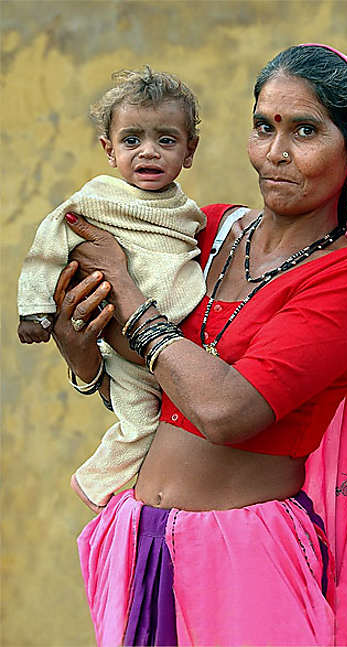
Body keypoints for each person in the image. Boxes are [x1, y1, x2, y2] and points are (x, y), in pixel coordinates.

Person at [50, 44, 347, 646]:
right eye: (263, 126)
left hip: (243, 559)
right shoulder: (207, 229)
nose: (276, 154)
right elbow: (158, 384)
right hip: (140, 542)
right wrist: (84, 360)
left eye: (305, 130)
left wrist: (126, 291)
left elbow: (228, 412)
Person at [17, 66, 206, 510]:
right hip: (124, 345)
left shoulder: (189, 213)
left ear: (189, 150)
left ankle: (148, 497)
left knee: (172, 426)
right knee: (139, 424)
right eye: (131, 140)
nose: (148, 153)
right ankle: (97, 485)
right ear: (108, 149)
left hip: (175, 342)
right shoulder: (99, 199)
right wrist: (36, 307)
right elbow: (51, 241)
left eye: (166, 140)